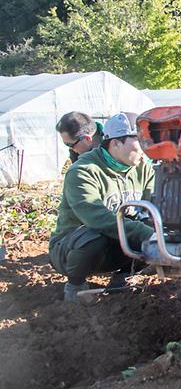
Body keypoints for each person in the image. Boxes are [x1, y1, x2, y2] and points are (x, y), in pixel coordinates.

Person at [49, 112, 155, 302]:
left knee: (156, 229)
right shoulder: (82, 172)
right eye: (140, 143)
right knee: (94, 235)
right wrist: (146, 233)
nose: (146, 150)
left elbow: (153, 208)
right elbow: (98, 219)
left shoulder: (143, 168)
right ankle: (75, 285)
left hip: (117, 243)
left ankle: (124, 275)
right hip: (71, 248)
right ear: (115, 143)